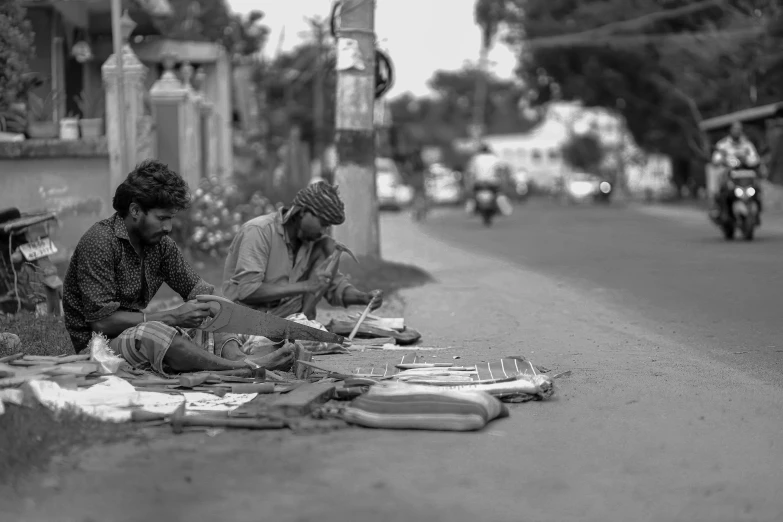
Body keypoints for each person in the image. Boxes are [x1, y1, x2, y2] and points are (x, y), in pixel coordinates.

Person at [63, 160, 268, 375]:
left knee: (210, 309)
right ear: (135, 210)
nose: (168, 227)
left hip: (136, 334)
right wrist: (173, 316)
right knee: (156, 333)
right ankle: (235, 369)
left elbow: (201, 291)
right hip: (100, 349)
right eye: (162, 218)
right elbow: (102, 323)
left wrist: (222, 309)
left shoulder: (160, 246)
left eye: (170, 218)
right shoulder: (100, 241)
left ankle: (240, 359)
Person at [222, 182, 383, 320]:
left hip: (285, 316)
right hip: (247, 316)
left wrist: (363, 298)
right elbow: (247, 291)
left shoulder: (315, 242)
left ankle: (303, 325)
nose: (324, 231)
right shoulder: (259, 231)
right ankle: (297, 329)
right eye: (323, 223)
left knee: (327, 246)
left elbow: (333, 287)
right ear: (303, 211)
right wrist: (306, 286)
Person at [711, 121, 761, 219]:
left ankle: (757, 210)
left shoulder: (747, 144)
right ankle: (719, 210)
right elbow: (716, 159)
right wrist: (722, 160)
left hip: (745, 174)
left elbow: (755, 158)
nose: (737, 131)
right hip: (729, 173)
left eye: (739, 129)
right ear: (730, 130)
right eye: (735, 129)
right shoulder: (723, 144)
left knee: (757, 188)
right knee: (720, 189)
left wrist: (747, 160)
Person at [464, 143, 513, 216]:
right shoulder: (495, 158)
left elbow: (470, 173)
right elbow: (502, 170)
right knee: (500, 195)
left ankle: (469, 211)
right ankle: (506, 211)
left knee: (472, 196)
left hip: (479, 182)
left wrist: (469, 185)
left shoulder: (475, 158)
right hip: (493, 182)